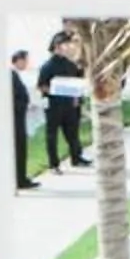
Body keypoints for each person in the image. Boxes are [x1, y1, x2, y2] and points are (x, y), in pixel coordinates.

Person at [39, 33, 90, 173]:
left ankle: (76, 158)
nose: (68, 47)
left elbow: (77, 82)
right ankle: (54, 165)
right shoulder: (47, 66)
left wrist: (76, 97)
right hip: (54, 105)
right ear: (56, 47)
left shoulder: (71, 65)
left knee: (73, 133)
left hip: (70, 105)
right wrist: (55, 90)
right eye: (65, 45)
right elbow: (42, 85)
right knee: (52, 135)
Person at [8, 50, 38, 191]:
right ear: (18, 60)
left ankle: (21, 177)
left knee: (21, 148)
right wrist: (23, 105)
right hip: (15, 118)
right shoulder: (10, 75)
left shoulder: (15, 75)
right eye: (25, 60)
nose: (27, 64)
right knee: (18, 148)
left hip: (20, 116)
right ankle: (19, 179)